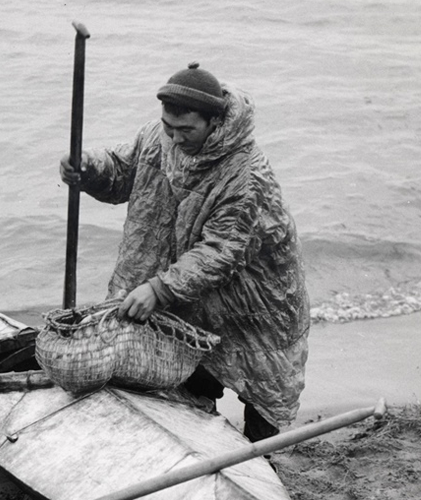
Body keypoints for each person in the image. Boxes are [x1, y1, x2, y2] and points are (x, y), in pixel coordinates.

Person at [59, 62, 309, 442]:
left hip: (255, 298)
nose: (174, 138)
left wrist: (158, 290)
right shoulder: (158, 139)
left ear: (214, 123)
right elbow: (123, 171)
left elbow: (220, 252)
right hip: (189, 286)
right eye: (168, 127)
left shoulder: (246, 175)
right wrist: (87, 168)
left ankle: (260, 458)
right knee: (189, 370)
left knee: (260, 384)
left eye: (186, 130)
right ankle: (195, 439)